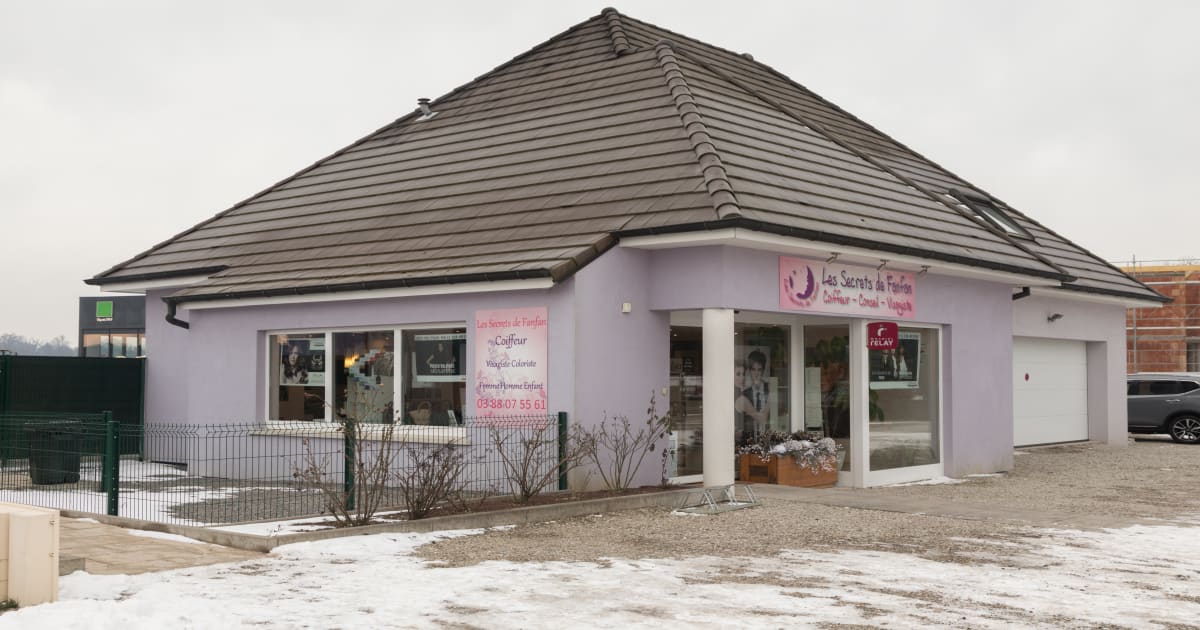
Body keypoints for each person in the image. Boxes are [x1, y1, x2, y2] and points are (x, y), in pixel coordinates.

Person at [743, 350, 769, 416]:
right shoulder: (745, 394)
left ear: (763, 371)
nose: (756, 374)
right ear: (749, 371)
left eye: (759, 369)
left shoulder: (770, 390)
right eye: (753, 369)